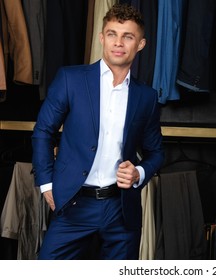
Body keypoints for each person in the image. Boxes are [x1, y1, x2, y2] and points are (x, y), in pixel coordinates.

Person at [31, 3, 164, 260]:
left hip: (121, 209)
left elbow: (156, 152)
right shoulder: (71, 79)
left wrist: (139, 172)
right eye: (112, 34)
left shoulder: (146, 97)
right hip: (73, 203)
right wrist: (47, 184)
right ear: (102, 37)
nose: (118, 42)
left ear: (141, 44)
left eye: (128, 36)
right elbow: (43, 131)